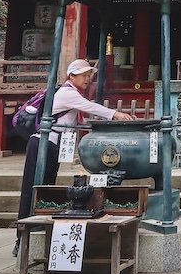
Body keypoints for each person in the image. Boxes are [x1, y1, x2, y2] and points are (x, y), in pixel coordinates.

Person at [13, 58, 132, 257]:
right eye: (84, 75)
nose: (87, 79)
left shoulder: (72, 94)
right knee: (32, 189)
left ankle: (38, 229)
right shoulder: (67, 93)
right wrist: (115, 114)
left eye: (89, 76)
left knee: (45, 188)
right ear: (72, 76)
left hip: (52, 146)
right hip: (41, 145)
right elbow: (91, 107)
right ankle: (22, 238)